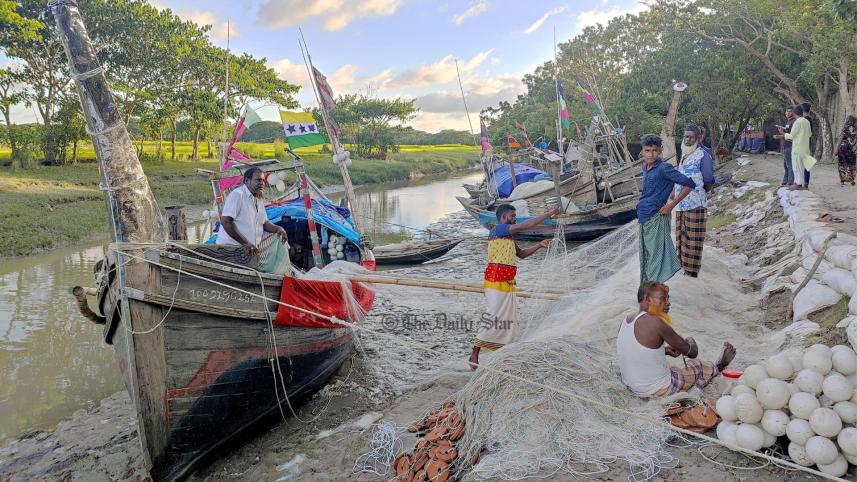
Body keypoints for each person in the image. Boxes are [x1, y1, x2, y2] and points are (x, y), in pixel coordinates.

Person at [469, 204, 561, 369]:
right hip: (495, 280)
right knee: (493, 315)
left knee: (507, 319)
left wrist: (539, 245)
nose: (515, 218)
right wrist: (548, 214)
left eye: (515, 216)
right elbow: (525, 225)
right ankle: (475, 352)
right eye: (512, 216)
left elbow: (522, 255)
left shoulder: (507, 237)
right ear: (503, 217)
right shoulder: (498, 230)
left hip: (507, 282)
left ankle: (502, 352)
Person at [618, 282, 736, 398]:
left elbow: (634, 349)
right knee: (698, 365)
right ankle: (719, 367)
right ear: (647, 300)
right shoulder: (656, 322)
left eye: (668, 299)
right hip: (655, 390)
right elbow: (692, 353)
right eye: (663, 299)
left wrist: (664, 350)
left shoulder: (627, 320)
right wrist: (689, 340)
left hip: (631, 385)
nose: (668, 303)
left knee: (668, 366)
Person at [636, 135, 696, 283]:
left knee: (657, 257)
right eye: (647, 150)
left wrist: (671, 205)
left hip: (656, 217)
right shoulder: (645, 167)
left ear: (660, 151)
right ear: (642, 152)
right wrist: (669, 191)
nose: (651, 154)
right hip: (644, 218)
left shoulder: (664, 168)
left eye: (654, 151)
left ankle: (654, 288)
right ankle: (649, 288)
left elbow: (689, 184)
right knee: (647, 256)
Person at [217, 167, 289, 255]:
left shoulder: (258, 199)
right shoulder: (238, 195)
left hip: (248, 250)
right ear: (247, 181)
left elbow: (264, 223)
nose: (262, 183)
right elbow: (226, 222)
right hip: (231, 249)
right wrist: (245, 243)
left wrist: (278, 228)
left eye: (263, 180)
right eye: (258, 180)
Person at [673, 125, 715, 278]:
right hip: (681, 203)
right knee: (682, 236)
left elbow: (709, 179)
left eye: (691, 137)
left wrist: (701, 191)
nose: (688, 139)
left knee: (693, 239)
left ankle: (691, 272)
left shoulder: (703, 154)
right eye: (686, 137)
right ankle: (682, 267)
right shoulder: (684, 154)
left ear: (698, 138)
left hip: (696, 203)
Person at [779, 105, 817, 190]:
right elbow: (810, 134)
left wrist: (783, 134)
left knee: (797, 166)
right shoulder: (806, 121)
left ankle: (798, 183)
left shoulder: (797, 122)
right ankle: (800, 183)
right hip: (805, 147)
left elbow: (792, 136)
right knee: (802, 166)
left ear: (795, 113)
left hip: (797, 147)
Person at [772, 107, 796, 186]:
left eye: (790, 111)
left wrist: (781, 134)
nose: (787, 113)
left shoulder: (793, 122)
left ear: (794, 112)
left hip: (790, 146)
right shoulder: (788, 122)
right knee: (786, 166)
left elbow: (791, 135)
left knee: (789, 165)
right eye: (786, 111)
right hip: (786, 146)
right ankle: (785, 181)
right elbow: (786, 133)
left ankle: (790, 182)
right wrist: (780, 135)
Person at [836, 115, 857, 186]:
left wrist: (836, 150)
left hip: (843, 149)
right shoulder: (855, 130)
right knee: (851, 164)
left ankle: (842, 180)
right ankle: (851, 178)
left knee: (843, 164)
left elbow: (840, 139)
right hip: (852, 150)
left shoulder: (845, 129)